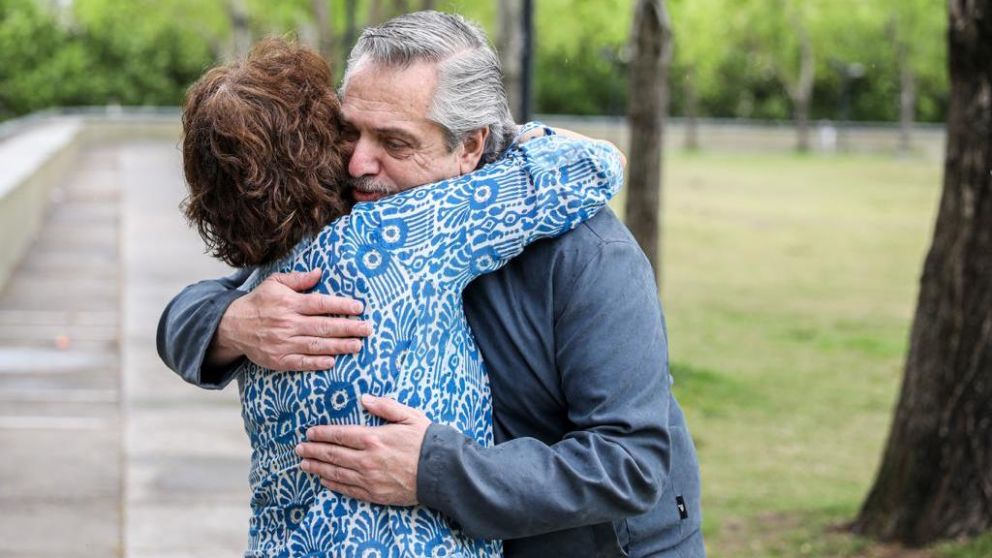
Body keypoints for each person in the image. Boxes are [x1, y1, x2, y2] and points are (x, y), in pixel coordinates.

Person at [158, 11, 705, 558]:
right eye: (351, 131)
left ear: (470, 147)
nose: (357, 162)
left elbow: (630, 463)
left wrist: (432, 469)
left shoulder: (588, 253)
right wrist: (236, 324)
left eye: (395, 142)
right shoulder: (361, 208)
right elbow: (196, 309)